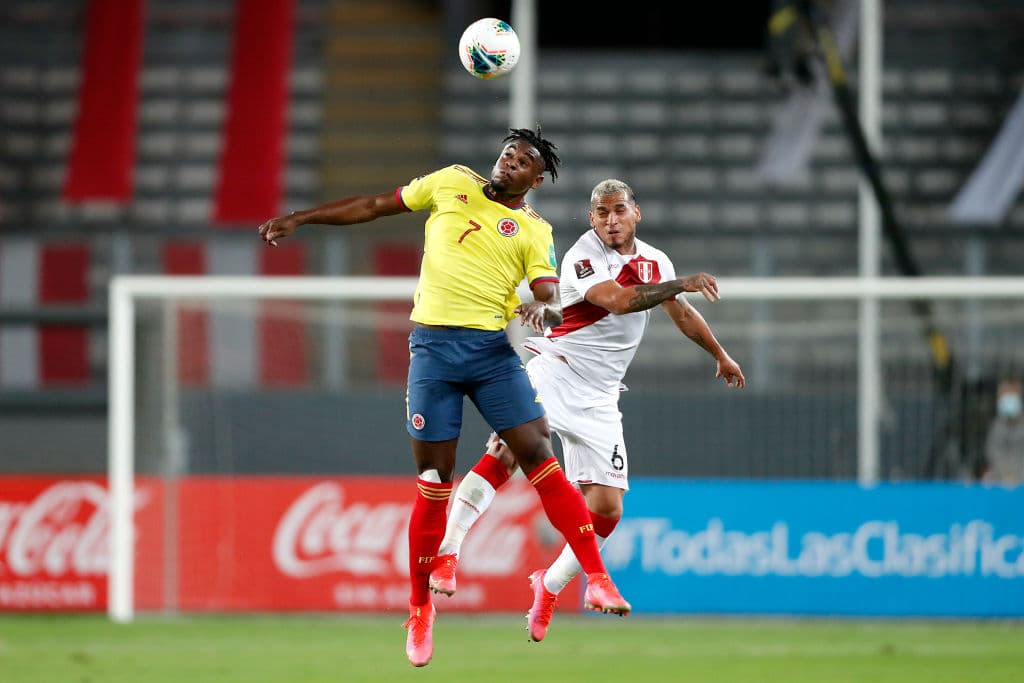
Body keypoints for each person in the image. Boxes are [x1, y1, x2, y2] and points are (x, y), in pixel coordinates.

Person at [257, 129, 631, 668]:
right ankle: (419, 609)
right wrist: (301, 218)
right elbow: (374, 205)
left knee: (538, 454)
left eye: (524, 160)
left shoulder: (533, 228)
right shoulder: (451, 182)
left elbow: (549, 292)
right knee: (435, 480)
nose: (510, 161)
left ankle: (596, 577)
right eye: (508, 152)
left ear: (536, 179)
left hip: (491, 355)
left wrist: (542, 306)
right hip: (433, 352)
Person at [427, 178, 746, 642]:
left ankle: (549, 586)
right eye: (602, 212)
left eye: (619, 210)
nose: (611, 220)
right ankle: (449, 551)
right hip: (557, 370)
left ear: (636, 213)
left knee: (608, 507)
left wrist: (719, 353)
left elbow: (679, 311)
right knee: (507, 451)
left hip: (601, 396)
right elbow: (619, 302)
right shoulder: (582, 255)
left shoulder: (656, 260)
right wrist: (683, 283)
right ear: (591, 218)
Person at [984, 378, 1024, 485]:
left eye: (1012, 396)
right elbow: (993, 452)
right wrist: (1005, 474)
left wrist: (1017, 475)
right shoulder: (996, 426)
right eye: (1006, 397)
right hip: (1000, 476)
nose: (1009, 401)